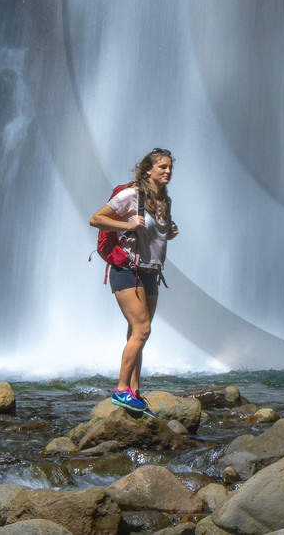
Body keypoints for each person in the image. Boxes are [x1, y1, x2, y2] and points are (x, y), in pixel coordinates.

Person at [89, 147, 179, 413]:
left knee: (136, 331)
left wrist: (170, 231)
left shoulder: (165, 200)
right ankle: (120, 390)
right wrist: (126, 225)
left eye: (170, 168)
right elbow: (96, 219)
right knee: (142, 330)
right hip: (127, 270)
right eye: (162, 167)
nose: (167, 171)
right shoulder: (130, 195)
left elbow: (155, 234)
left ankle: (134, 390)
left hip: (151, 272)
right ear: (148, 170)